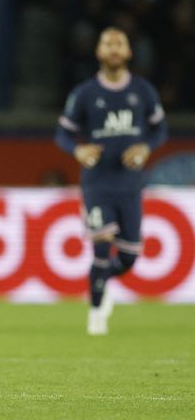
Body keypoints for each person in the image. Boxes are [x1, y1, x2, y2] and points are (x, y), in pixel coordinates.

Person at [55, 27, 167, 336]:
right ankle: (96, 315)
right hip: (97, 183)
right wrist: (79, 149)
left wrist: (145, 147)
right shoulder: (86, 93)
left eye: (119, 43)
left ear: (129, 52)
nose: (114, 49)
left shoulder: (143, 91)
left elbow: (159, 130)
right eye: (108, 43)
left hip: (130, 185)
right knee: (102, 246)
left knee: (129, 257)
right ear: (99, 52)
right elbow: (63, 133)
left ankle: (103, 283)